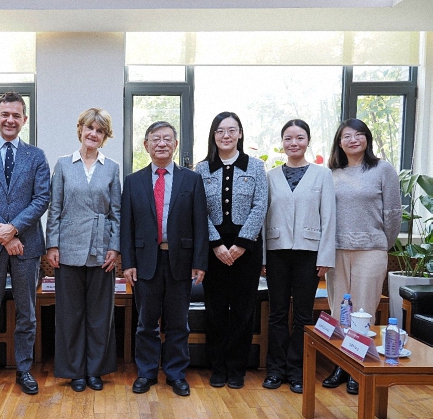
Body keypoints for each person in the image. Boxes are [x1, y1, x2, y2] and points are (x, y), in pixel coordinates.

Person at [0, 92, 51, 400]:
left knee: (27, 313)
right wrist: (5, 234)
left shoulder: (36, 156)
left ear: (24, 120)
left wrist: (14, 229)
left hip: (26, 245)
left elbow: (41, 198)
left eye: (16, 115)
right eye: (5, 114)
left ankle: (24, 369)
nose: (10, 120)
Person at [121, 121, 208, 397]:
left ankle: (175, 373)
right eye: (155, 139)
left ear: (176, 144)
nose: (161, 143)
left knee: (178, 322)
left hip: (180, 261)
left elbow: (200, 224)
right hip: (145, 261)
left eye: (167, 139)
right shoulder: (133, 181)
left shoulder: (191, 180)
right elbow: (127, 226)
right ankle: (146, 372)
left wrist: (200, 262)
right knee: (146, 322)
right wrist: (128, 263)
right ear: (146, 145)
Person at [322, 118, 401, 395]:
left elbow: (393, 214)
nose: (353, 140)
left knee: (363, 311)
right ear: (339, 142)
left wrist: (381, 243)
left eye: (358, 135)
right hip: (337, 251)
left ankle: (358, 366)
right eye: (346, 136)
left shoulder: (383, 169)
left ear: (367, 139)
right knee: (338, 311)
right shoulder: (331, 173)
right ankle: (341, 365)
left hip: (371, 251)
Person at [45, 108, 121, 392]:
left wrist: (114, 247)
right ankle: (75, 371)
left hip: (102, 249)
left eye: (99, 130)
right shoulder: (64, 164)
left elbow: (116, 213)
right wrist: (52, 244)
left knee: (100, 315)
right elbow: (54, 208)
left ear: (105, 136)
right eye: (90, 128)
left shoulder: (111, 167)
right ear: (81, 129)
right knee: (70, 314)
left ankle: (95, 370)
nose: (93, 134)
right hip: (68, 248)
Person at [261, 119, 336, 394]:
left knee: (303, 315)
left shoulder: (322, 175)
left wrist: (325, 256)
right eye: (288, 138)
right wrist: (263, 259)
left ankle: (297, 371)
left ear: (308, 141)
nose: (294, 143)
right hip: (276, 252)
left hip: (310, 253)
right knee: (277, 313)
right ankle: (275, 370)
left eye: (300, 138)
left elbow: (329, 217)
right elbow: (262, 219)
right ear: (282, 142)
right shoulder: (270, 176)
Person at [195, 111, 267, 390]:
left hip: (246, 251)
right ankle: (217, 367)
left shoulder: (256, 166)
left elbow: (260, 206)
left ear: (240, 134)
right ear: (213, 135)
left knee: (242, 311)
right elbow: (198, 210)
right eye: (220, 131)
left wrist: (241, 244)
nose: (226, 135)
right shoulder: (202, 169)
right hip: (213, 251)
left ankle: (237, 368)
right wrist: (216, 244)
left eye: (231, 130)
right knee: (215, 311)